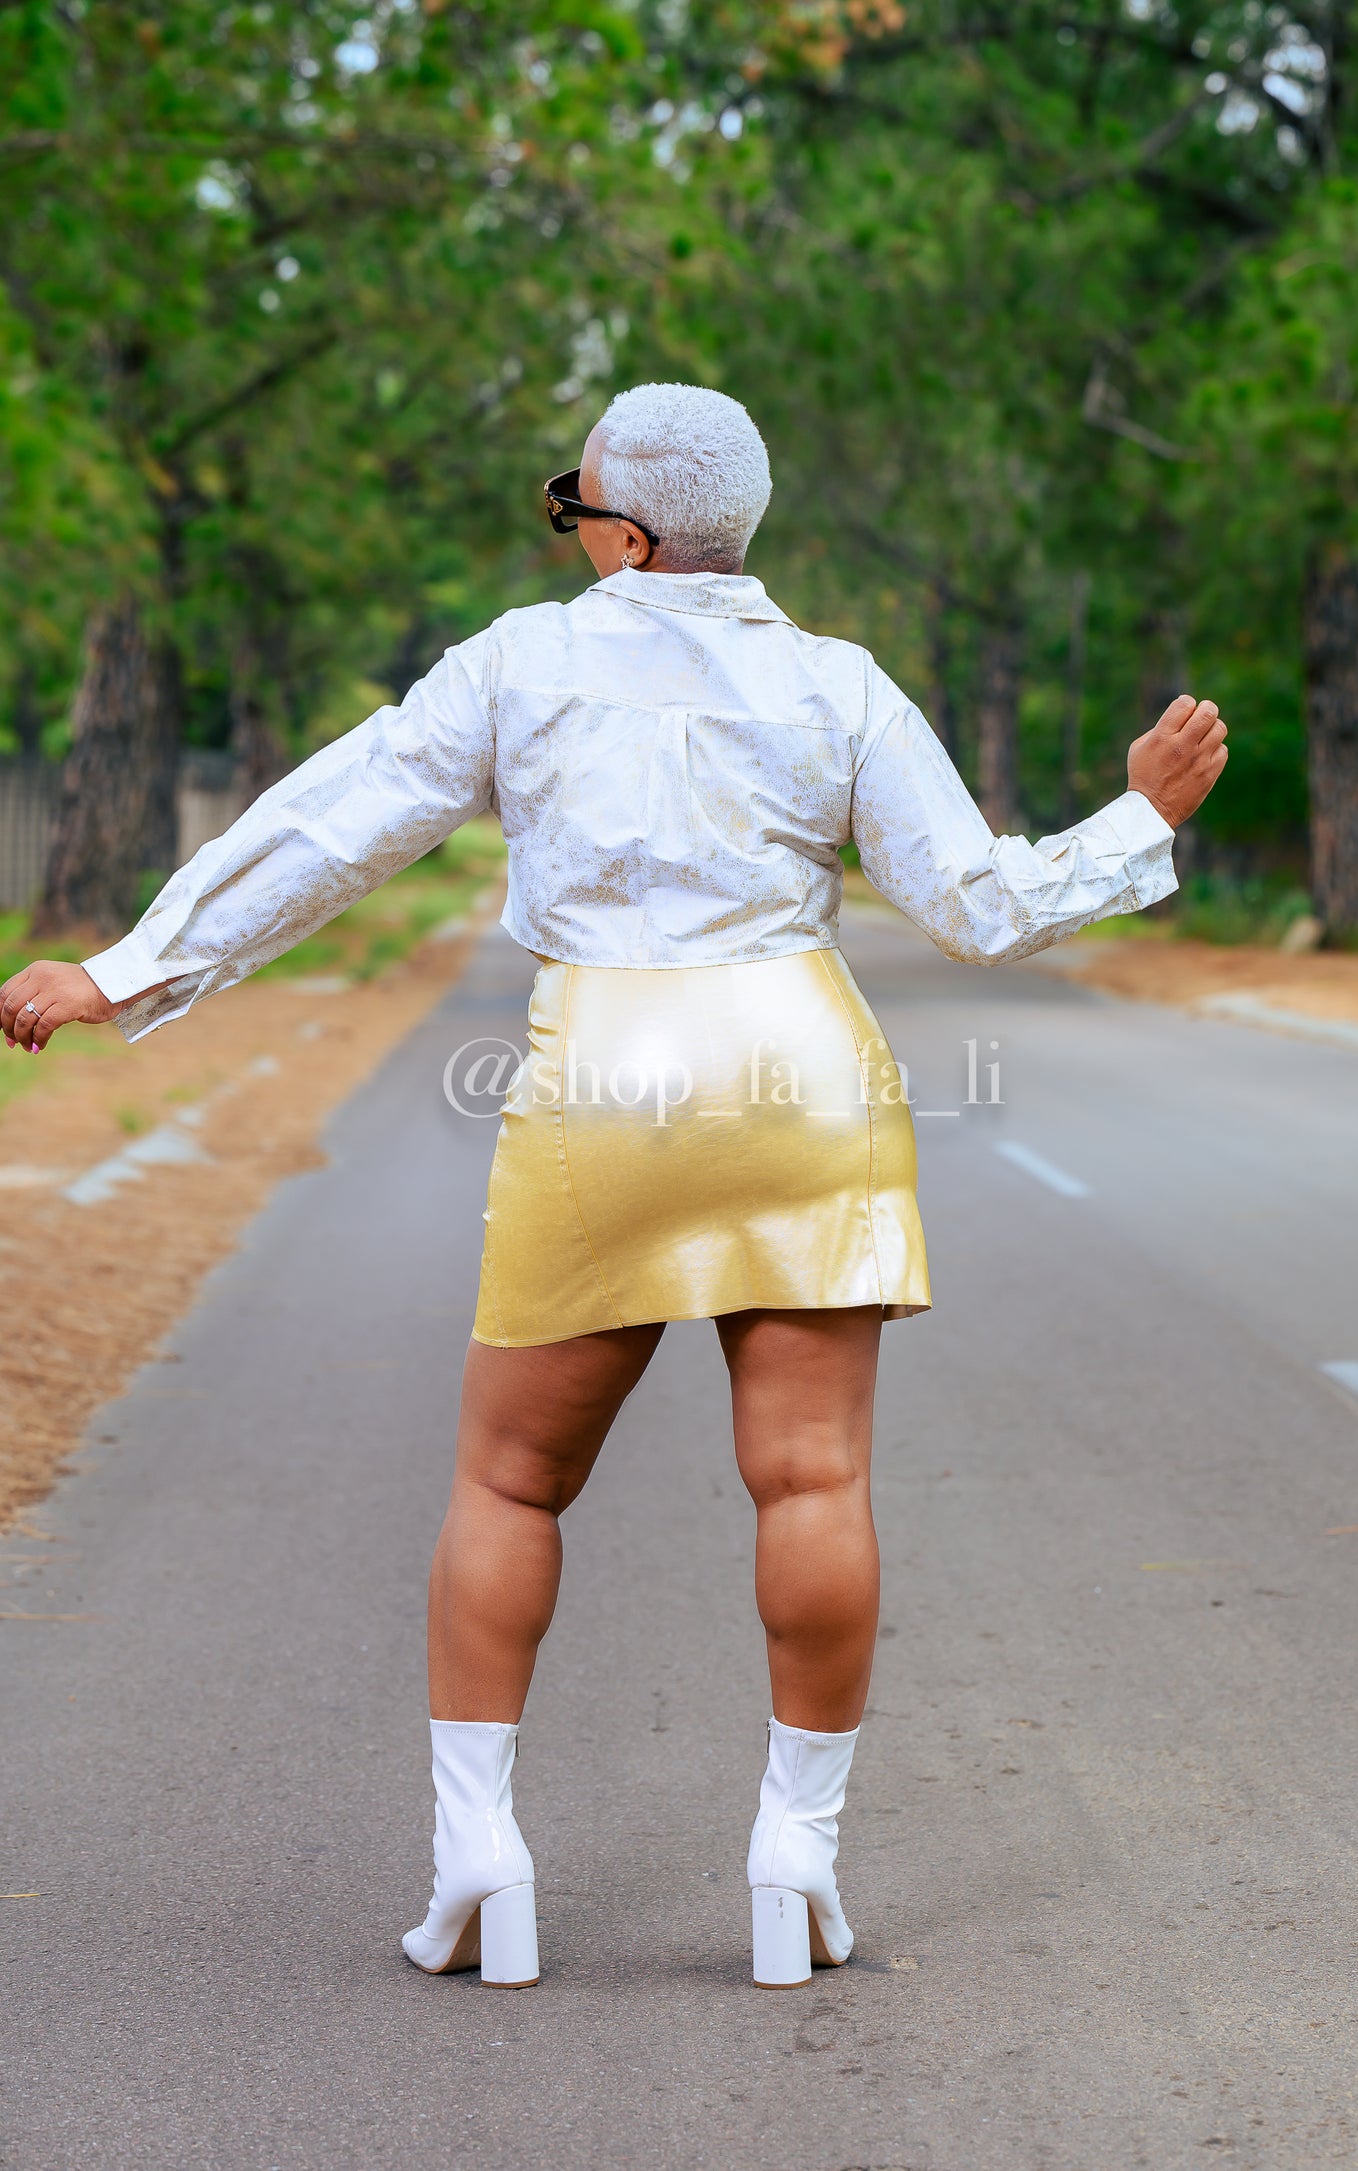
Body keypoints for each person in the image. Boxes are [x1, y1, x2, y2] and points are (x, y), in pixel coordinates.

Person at [2, 382, 1226, 1990]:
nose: (568, 528)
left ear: (628, 538)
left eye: (572, 505)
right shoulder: (838, 686)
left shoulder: (521, 662)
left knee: (509, 1486)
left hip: (606, 1071)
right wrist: (1138, 814)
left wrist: (131, 969)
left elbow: (331, 824)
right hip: (801, 1067)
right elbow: (980, 906)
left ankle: (478, 1863)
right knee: (812, 1484)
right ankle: (795, 1862)